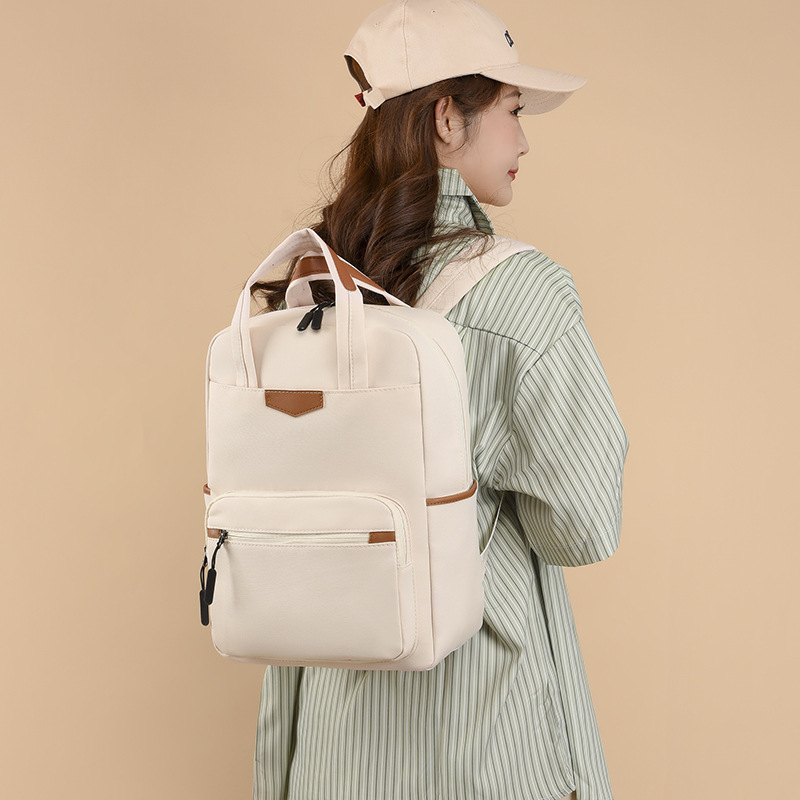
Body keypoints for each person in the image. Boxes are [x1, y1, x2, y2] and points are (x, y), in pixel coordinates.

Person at [251, 1, 629, 798]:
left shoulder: (305, 292)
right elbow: (585, 527)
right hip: (488, 751)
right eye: (513, 109)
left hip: (326, 755)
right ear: (447, 117)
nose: (524, 139)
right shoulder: (522, 294)